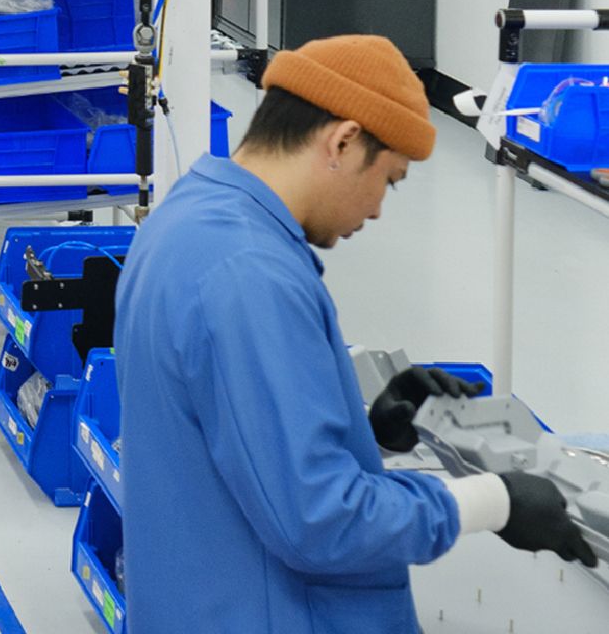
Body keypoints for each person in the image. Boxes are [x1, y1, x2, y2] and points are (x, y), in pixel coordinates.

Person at [117, 35, 595, 631]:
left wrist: (365, 434)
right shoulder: (250, 275)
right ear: (342, 142)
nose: (376, 211)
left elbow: (237, 440)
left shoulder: (188, 219)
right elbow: (319, 521)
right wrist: (495, 502)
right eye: (389, 181)